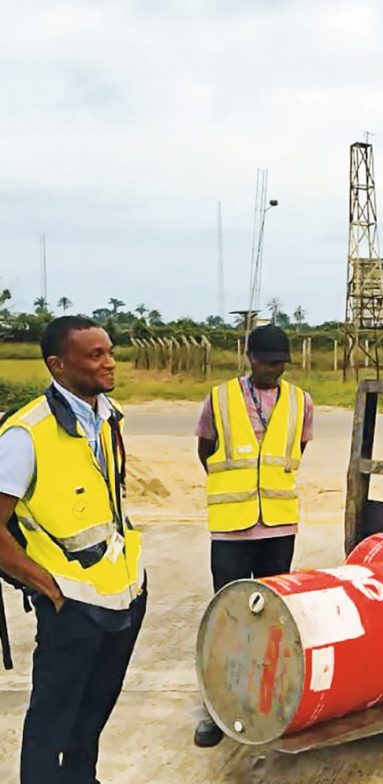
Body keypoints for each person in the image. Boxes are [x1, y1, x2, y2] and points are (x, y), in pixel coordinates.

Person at [0, 316, 147, 784]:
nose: (110, 363)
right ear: (57, 365)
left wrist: (137, 582)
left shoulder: (107, 416)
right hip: (71, 603)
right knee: (52, 719)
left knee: (95, 710)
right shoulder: (27, 434)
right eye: (96, 355)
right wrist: (48, 587)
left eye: (110, 351)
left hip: (123, 593)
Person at [192, 324, 313, 747]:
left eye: (281, 363)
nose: (275, 370)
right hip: (231, 528)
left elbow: (295, 449)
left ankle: (267, 699)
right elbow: (206, 449)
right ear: (250, 358)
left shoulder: (301, 401)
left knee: (272, 619)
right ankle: (217, 705)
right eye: (267, 363)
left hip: (279, 525)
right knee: (228, 617)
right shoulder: (220, 398)